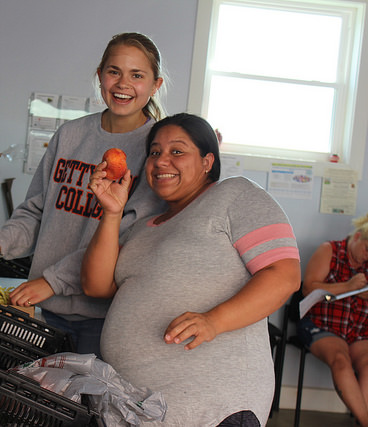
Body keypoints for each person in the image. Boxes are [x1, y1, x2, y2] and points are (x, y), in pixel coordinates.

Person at [82, 112, 301, 426]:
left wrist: (214, 320)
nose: (161, 161)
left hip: (211, 406)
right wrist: (112, 213)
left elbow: (285, 274)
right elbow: (96, 286)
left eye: (177, 151)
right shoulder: (144, 227)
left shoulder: (236, 195)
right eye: (155, 152)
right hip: (139, 408)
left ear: (207, 161)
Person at [0, 32, 167, 357]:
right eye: (114, 71)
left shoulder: (155, 152)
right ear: (99, 76)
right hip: (46, 307)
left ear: (155, 84)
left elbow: (128, 241)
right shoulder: (70, 135)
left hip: (105, 318)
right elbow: (36, 210)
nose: (123, 83)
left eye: (137, 75)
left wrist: (53, 281)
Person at [299, 213, 368, 427]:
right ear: (357, 237)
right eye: (367, 249)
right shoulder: (330, 250)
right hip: (323, 324)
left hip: (358, 328)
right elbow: (308, 288)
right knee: (340, 360)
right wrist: (348, 287)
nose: (367, 257)